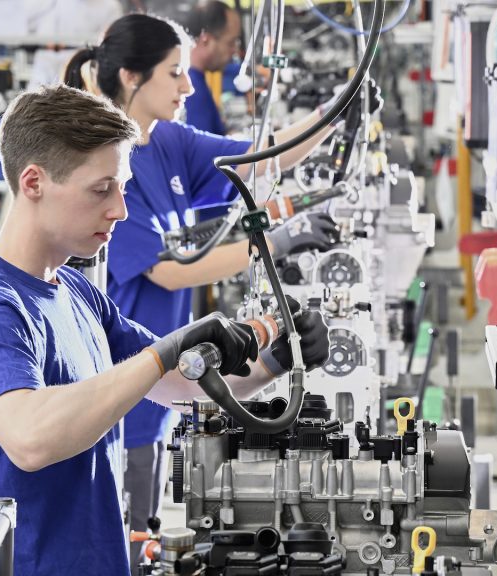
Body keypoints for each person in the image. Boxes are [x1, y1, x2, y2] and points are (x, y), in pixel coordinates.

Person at [0, 84, 330, 575]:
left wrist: (278, 359)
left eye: (121, 187)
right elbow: (29, 438)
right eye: (102, 189)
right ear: (33, 182)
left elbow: (186, 387)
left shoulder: (75, 293)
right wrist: (161, 353)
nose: (120, 209)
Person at [62, 13, 354, 547]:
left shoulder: (168, 141)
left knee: (146, 532)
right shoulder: (102, 173)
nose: (189, 86)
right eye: (175, 73)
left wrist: (333, 113)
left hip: (164, 378)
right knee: (122, 537)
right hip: (122, 393)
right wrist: (276, 243)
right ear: (131, 76)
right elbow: (171, 273)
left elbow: (256, 158)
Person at [183, 0, 240, 135]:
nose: (234, 51)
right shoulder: (190, 89)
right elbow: (201, 153)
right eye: (230, 42)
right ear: (206, 40)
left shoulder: (198, 80)